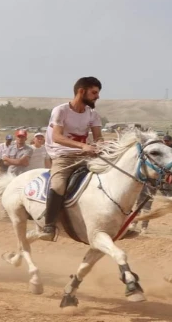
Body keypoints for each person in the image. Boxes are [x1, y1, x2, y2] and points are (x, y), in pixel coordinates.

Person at [39, 77, 103, 242]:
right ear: (82, 91)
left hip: (86, 156)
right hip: (63, 155)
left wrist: (100, 146)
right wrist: (82, 146)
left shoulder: (93, 114)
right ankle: (49, 225)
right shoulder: (61, 111)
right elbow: (57, 137)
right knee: (58, 185)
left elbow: (98, 137)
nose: (97, 96)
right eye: (94, 92)